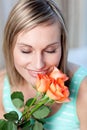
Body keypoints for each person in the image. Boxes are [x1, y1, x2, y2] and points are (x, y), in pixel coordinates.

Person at [0, 0, 87, 130]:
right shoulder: (1, 87)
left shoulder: (83, 89)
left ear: (62, 46)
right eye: (26, 51)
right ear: (9, 46)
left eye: (50, 50)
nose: (38, 64)